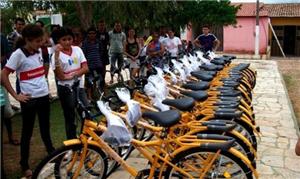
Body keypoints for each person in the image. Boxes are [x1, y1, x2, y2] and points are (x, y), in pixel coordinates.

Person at [1, 24, 55, 178]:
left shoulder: (36, 51)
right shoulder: (18, 54)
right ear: (27, 40)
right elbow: (3, 75)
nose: (41, 44)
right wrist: (16, 95)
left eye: (42, 41)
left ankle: (52, 153)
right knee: (27, 132)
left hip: (43, 96)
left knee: (46, 128)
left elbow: (38, 71)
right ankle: (24, 164)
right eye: (38, 41)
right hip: (29, 100)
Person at [51, 27, 89, 140]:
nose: (67, 42)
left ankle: (85, 139)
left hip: (79, 87)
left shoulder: (77, 50)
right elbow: (60, 76)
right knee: (70, 118)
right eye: (64, 40)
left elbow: (86, 68)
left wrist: (73, 75)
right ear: (58, 41)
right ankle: (72, 144)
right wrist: (57, 56)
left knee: (85, 113)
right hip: (66, 89)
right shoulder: (55, 56)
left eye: (69, 39)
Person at [1, 19, 20, 146]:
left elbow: (7, 54)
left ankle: (11, 136)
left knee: (6, 111)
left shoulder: (2, 37)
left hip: (1, 77)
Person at [82, 26, 104, 99]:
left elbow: (101, 52)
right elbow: (83, 54)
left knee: (98, 80)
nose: (92, 35)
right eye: (90, 33)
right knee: (89, 81)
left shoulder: (98, 42)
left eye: (93, 33)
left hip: (98, 64)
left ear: (95, 34)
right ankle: (89, 96)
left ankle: (96, 93)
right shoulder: (85, 43)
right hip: (89, 65)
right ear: (87, 34)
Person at [97, 19, 109, 84]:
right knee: (98, 68)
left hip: (104, 53)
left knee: (104, 68)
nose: (102, 26)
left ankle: (103, 82)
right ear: (98, 26)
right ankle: (97, 82)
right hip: (97, 53)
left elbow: (108, 42)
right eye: (100, 25)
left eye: (103, 25)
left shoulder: (106, 34)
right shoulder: (96, 33)